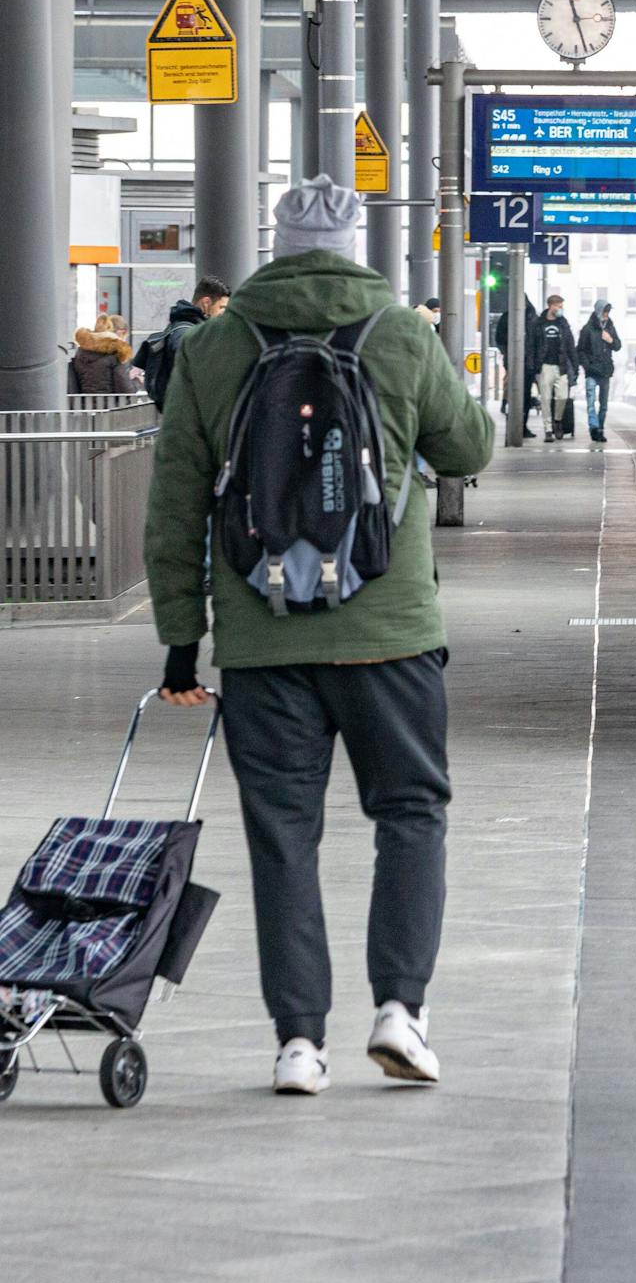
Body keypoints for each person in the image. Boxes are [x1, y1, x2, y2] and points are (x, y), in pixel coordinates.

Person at [144, 177, 494, 1097]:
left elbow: (176, 501)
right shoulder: (402, 334)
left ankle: (299, 1044)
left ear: (278, 244)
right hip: (391, 634)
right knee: (410, 814)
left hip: (261, 640)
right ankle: (400, 1012)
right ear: (352, 245)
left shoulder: (214, 346)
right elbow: (469, 450)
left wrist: (182, 639)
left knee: (283, 839)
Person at [133, 275, 231, 411]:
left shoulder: (180, 329)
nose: (224, 314)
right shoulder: (188, 334)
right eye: (221, 308)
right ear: (206, 303)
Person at [492, 295, 539, 437]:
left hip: (529, 362)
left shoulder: (532, 318)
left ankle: (522, 426)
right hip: (513, 361)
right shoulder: (508, 317)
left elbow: (538, 340)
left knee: (525, 395)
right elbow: (500, 338)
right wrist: (507, 352)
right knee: (515, 393)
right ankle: (514, 426)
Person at [535, 293, 578, 441]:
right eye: (559, 306)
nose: (561, 309)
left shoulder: (563, 323)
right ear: (551, 306)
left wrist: (575, 365)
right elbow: (533, 344)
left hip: (561, 365)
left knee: (562, 397)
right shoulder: (539, 323)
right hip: (545, 366)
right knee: (545, 399)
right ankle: (548, 429)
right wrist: (534, 365)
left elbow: (570, 344)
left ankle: (558, 420)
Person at [577, 300, 621, 443]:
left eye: (608, 312)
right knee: (591, 403)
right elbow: (580, 350)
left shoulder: (610, 327)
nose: (606, 314)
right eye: (604, 311)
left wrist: (610, 339)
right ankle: (594, 428)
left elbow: (618, 346)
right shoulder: (587, 329)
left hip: (605, 371)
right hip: (592, 372)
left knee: (604, 405)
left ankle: (600, 429)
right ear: (598, 311)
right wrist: (587, 366)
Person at [70, 314, 136, 395]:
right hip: (110, 402)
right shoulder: (117, 353)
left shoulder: (81, 352)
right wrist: (135, 384)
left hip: (82, 402)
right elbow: (125, 390)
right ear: (121, 332)